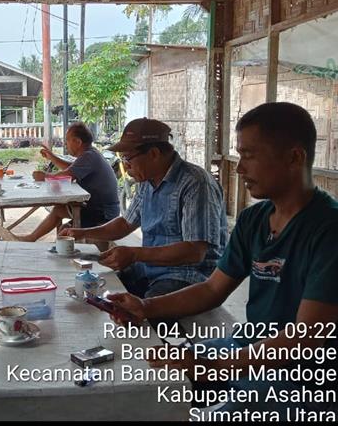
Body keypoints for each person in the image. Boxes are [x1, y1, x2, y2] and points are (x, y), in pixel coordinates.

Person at [106, 103, 338, 418]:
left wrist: (213, 366)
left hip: (304, 377)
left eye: (249, 155)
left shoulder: (328, 230)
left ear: (294, 157)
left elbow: (305, 337)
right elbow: (213, 289)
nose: (239, 169)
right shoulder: (254, 219)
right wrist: (145, 307)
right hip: (247, 346)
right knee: (152, 368)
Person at [61, 118, 227, 298]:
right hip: (150, 268)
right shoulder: (147, 181)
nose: (126, 166)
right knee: (93, 292)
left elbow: (195, 251)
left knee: (136, 310)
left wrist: (135, 254)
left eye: (128, 158)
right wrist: (81, 233)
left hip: (187, 276)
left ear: (154, 154)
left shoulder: (195, 183)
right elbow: (125, 224)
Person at [18, 122, 120, 242]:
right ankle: (32, 238)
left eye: (67, 140)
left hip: (104, 213)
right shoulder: (91, 154)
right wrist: (51, 156)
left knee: (64, 227)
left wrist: (44, 176)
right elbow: (71, 168)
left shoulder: (89, 156)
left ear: (78, 142)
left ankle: (35, 239)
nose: (65, 144)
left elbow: (66, 176)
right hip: (101, 209)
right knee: (59, 211)